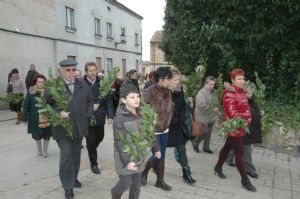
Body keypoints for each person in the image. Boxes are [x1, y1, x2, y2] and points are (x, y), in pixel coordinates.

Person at [45, 59, 92, 199]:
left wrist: (87, 114)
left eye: (73, 70)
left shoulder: (82, 84)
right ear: (61, 71)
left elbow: (90, 101)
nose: (71, 73)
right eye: (68, 70)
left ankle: (73, 178)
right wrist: (58, 113)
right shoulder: (53, 86)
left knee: (76, 156)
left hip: (79, 128)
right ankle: (68, 186)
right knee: (66, 156)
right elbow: (44, 104)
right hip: (62, 129)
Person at [214, 68, 256, 192]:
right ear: (233, 80)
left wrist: (247, 115)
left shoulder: (242, 92)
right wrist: (247, 116)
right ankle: (245, 180)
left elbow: (246, 107)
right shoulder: (228, 94)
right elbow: (232, 113)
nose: (242, 81)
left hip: (241, 126)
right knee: (240, 153)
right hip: (232, 126)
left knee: (227, 147)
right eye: (239, 79)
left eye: (243, 78)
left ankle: (218, 167)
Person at [141, 67, 172, 191]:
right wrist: (148, 127)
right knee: (157, 155)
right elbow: (142, 111)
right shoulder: (148, 92)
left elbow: (169, 108)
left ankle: (159, 181)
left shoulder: (168, 91)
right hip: (154, 130)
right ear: (161, 79)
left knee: (162, 156)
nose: (170, 82)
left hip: (165, 129)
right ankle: (145, 171)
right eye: (168, 79)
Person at [111, 84, 145, 199]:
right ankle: (115, 194)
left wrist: (156, 148)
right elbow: (120, 143)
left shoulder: (143, 115)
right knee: (126, 183)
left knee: (136, 185)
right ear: (124, 100)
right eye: (132, 97)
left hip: (139, 155)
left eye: (137, 96)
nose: (136, 99)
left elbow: (149, 134)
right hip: (124, 157)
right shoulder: (119, 119)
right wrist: (127, 162)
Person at [226, 82, 263, 179]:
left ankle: (228, 158)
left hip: (250, 129)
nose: (250, 94)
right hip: (244, 129)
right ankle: (250, 170)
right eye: (248, 92)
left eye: (251, 92)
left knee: (236, 145)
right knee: (247, 151)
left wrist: (259, 113)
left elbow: (253, 109)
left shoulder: (251, 99)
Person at [83, 62, 114, 174]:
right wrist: (91, 107)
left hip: (100, 117)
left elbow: (109, 101)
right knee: (91, 141)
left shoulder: (103, 84)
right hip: (87, 118)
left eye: (94, 70)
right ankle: (94, 164)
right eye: (90, 70)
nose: (92, 72)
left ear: (97, 70)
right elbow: (78, 102)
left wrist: (110, 115)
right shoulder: (81, 84)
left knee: (100, 137)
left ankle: (91, 148)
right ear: (86, 71)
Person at [167, 68, 196, 184]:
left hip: (178, 125)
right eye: (175, 79)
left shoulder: (180, 90)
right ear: (168, 80)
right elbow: (162, 111)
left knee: (181, 148)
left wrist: (182, 119)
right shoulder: (164, 92)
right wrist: (172, 120)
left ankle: (186, 173)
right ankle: (147, 170)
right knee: (158, 153)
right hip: (166, 126)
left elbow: (183, 106)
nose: (178, 82)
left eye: (179, 79)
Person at [22, 74, 52, 157]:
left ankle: (45, 151)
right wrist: (24, 118)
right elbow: (26, 105)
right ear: (35, 82)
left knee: (47, 134)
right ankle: (39, 149)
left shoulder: (48, 91)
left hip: (47, 117)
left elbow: (53, 104)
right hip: (34, 118)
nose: (41, 83)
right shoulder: (31, 92)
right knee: (36, 135)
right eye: (39, 82)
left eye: (43, 82)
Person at [192, 76, 219, 154]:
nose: (212, 86)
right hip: (202, 116)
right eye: (210, 84)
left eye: (213, 84)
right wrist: (212, 108)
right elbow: (201, 105)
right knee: (203, 132)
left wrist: (216, 109)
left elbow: (216, 102)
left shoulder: (214, 92)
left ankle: (206, 147)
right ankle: (195, 143)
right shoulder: (201, 92)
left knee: (209, 133)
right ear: (205, 84)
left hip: (211, 116)